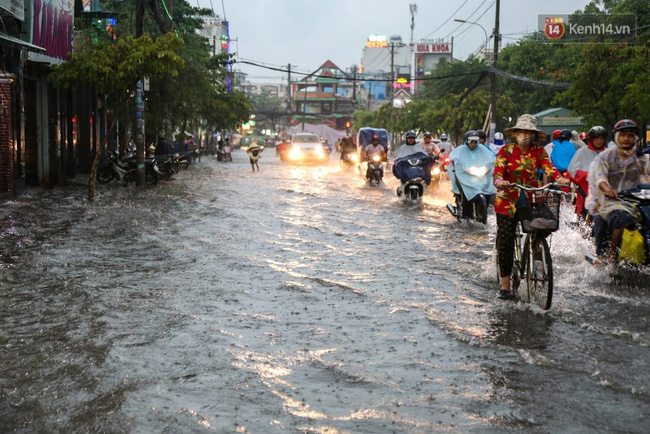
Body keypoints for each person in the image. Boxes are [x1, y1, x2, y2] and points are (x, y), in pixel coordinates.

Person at [493, 114, 570, 300]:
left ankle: (536, 248)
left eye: (529, 132)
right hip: (507, 201)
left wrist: (559, 178)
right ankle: (505, 283)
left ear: (533, 135)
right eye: (522, 131)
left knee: (545, 225)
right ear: (516, 133)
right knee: (506, 240)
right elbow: (498, 171)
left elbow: (548, 167)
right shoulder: (505, 151)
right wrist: (500, 181)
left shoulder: (539, 152)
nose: (525, 135)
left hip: (530, 199)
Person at [589, 119, 650, 265]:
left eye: (630, 135)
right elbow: (600, 177)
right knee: (621, 218)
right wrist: (607, 189)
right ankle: (611, 253)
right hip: (615, 200)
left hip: (639, 199)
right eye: (623, 135)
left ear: (636, 137)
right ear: (616, 137)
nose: (626, 138)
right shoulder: (606, 157)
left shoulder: (641, 156)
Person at [448, 130, 496, 218]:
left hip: (480, 177)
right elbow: (454, 159)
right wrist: (462, 166)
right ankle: (465, 215)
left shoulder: (483, 149)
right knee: (466, 195)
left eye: (475, 142)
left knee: (490, 191)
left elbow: (492, 159)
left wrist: (487, 167)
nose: (473, 144)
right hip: (465, 178)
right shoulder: (460, 150)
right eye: (471, 142)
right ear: (466, 141)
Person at [567, 126, 608, 221]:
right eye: (597, 138)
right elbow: (572, 171)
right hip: (584, 191)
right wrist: (587, 175)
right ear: (591, 139)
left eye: (602, 138)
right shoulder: (581, 152)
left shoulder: (608, 153)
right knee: (581, 219)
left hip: (605, 193)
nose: (599, 141)